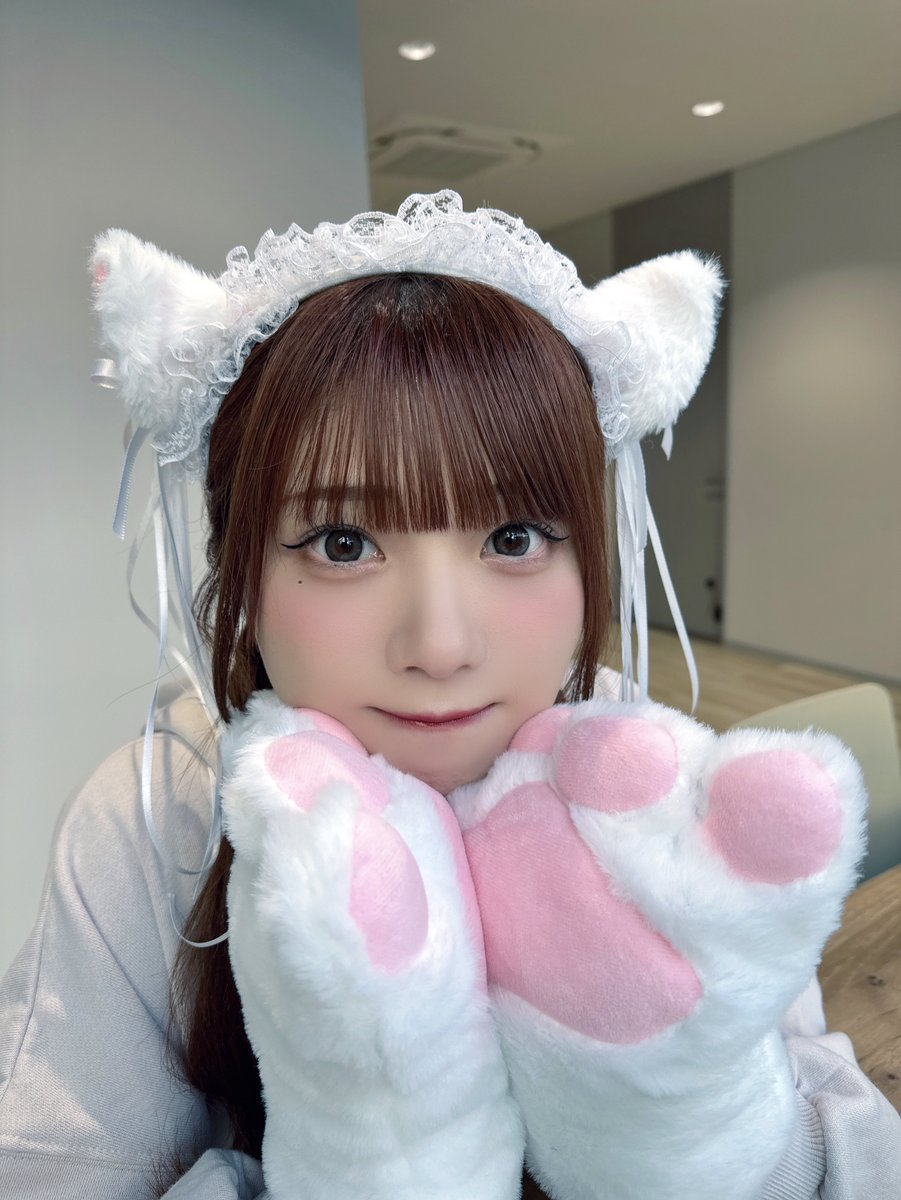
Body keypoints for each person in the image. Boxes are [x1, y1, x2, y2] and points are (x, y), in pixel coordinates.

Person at [1, 192, 899, 1200]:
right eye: (343, 543)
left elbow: (849, 1157)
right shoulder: (156, 814)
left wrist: (693, 1120)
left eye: (513, 538)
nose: (438, 645)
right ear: (243, 571)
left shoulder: (642, 782)